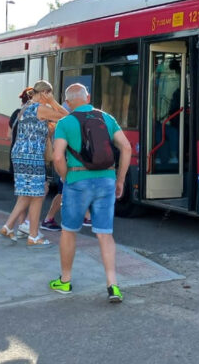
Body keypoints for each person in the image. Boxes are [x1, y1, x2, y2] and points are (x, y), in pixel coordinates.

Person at [49, 83, 132, 303]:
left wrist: (66, 177)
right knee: (105, 234)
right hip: (106, 179)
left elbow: (57, 157)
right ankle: (113, 285)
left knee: (69, 231)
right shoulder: (107, 118)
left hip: (77, 179)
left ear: (67, 102)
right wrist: (120, 179)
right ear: (88, 97)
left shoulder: (65, 122)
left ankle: (65, 281)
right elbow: (126, 147)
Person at [0, 80, 68, 245]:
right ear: (45, 93)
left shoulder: (25, 107)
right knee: (37, 196)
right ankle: (33, 236)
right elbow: (67, 117)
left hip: (20, 153)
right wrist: (52, 102)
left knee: (26, 195)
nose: (50, 98)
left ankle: (8, 226)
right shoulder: (41, 108)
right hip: (32, 155)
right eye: (49, 94)